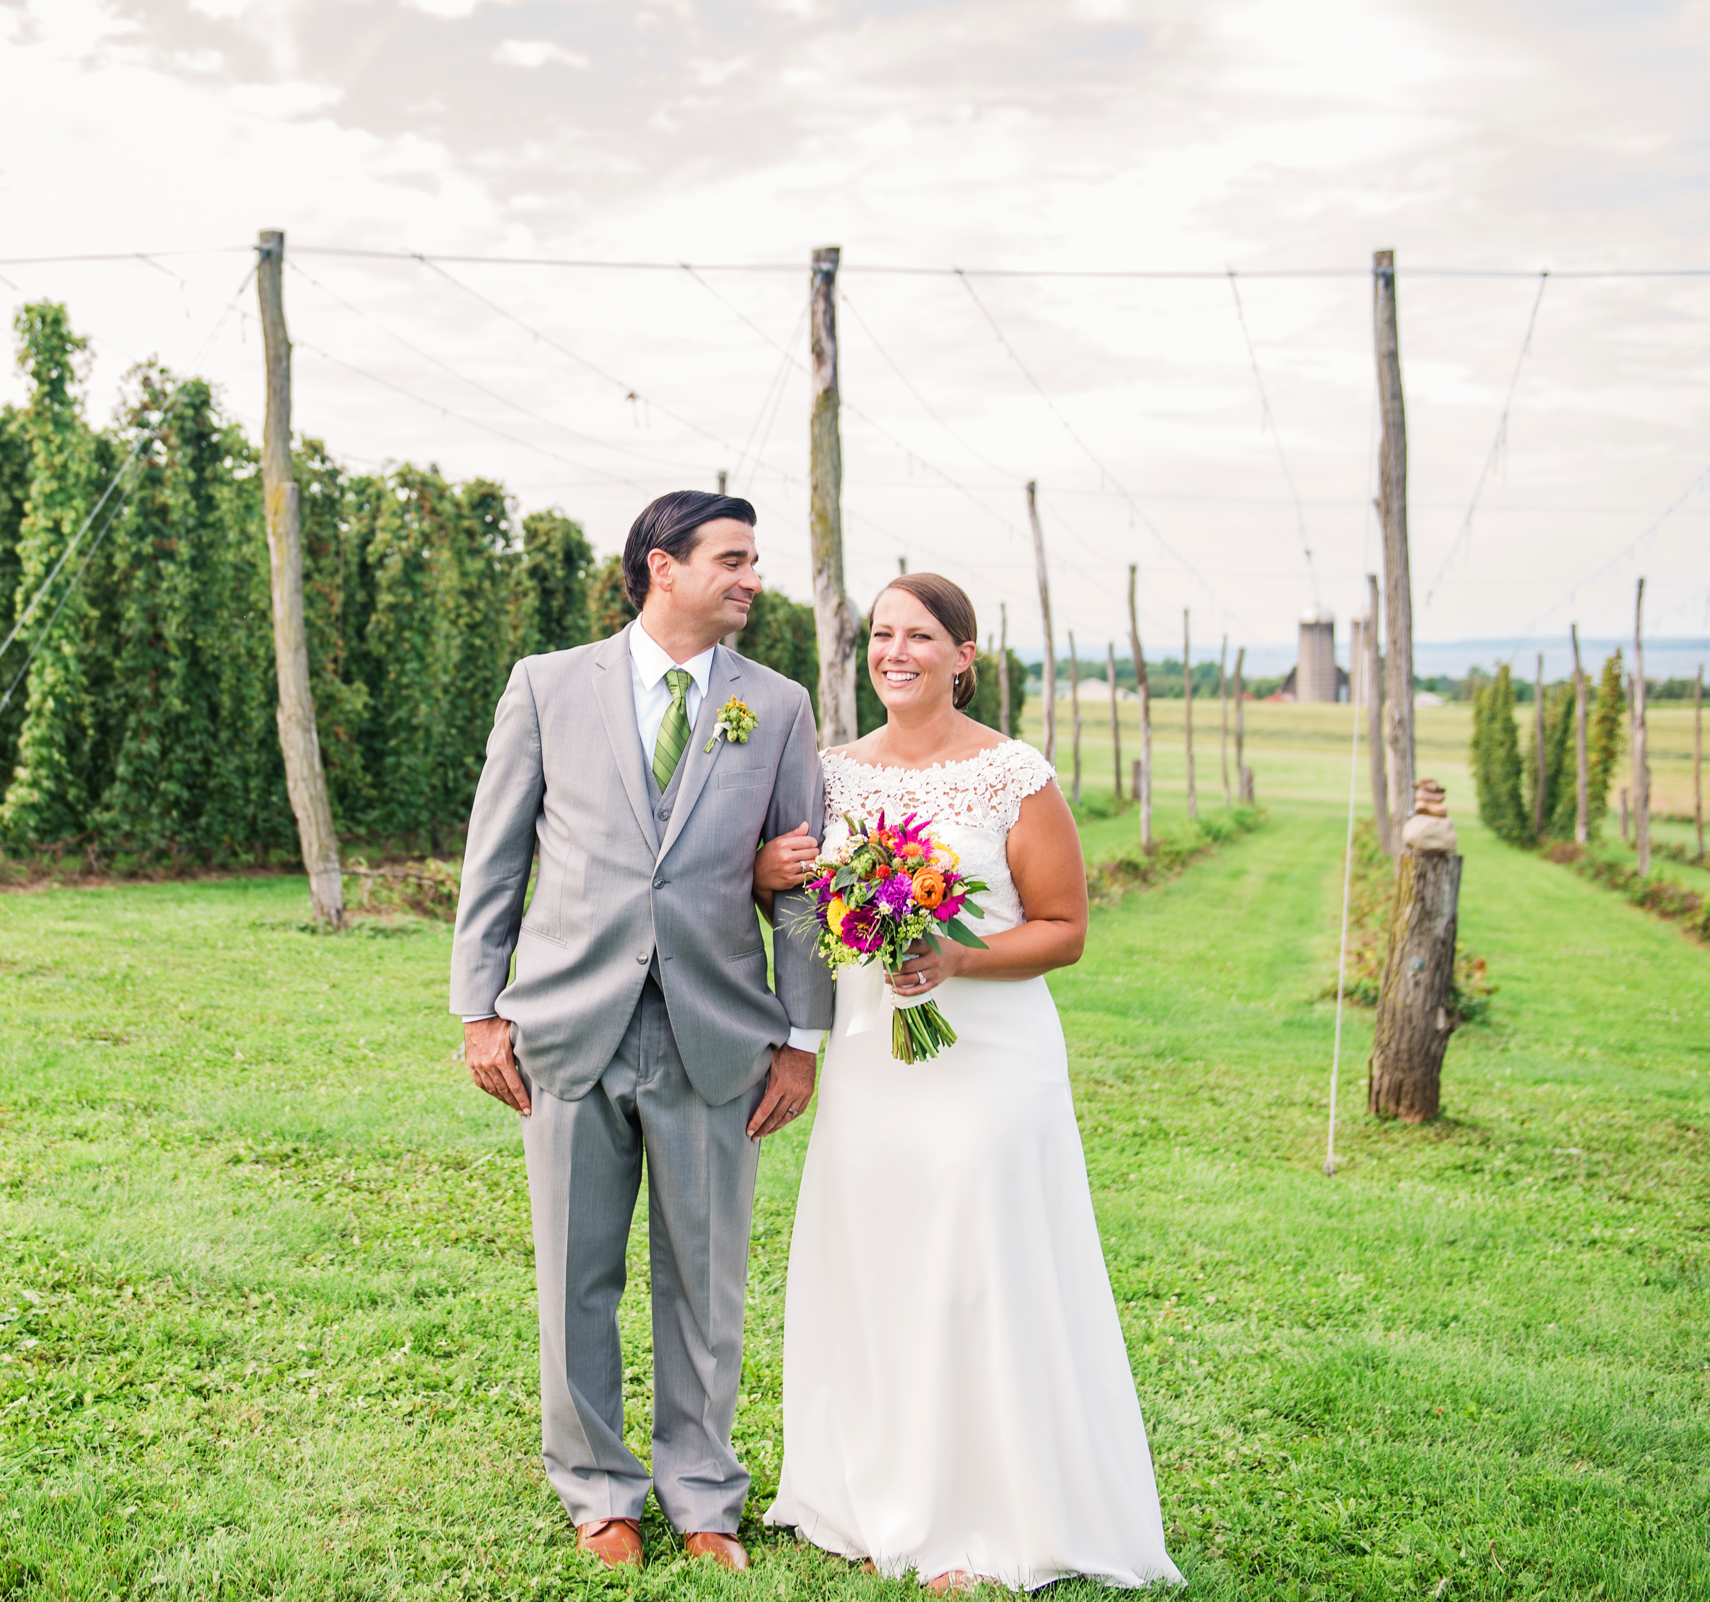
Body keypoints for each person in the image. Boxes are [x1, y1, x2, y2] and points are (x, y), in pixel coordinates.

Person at [754, 573, 1181, 1594]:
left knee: (973, 1267)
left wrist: (954, 960)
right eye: (881, 634)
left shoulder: (1012, 775)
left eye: (920, 636)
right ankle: (866, 1492)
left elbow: (1065, 929)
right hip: (870, 1057)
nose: (895, 651)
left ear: (963, 656)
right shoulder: (828, 776)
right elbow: (784, 895)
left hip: (990, 1060)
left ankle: (981, 1513)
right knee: (877, 1263)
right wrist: (770, 873)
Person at [450, 490, 832, 1573]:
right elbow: (498, 860)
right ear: (663, 567)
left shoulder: (778, 705)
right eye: (734, 559)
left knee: (705, 1279)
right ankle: (598, 1491)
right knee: (575, 1276)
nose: (753, 578)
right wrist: (479, 1009)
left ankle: (703, 1495)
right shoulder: (546, 686)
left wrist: (801, 1035)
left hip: (720, 1033)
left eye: (755, 561)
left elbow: (800, 882)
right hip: (570, 1025)